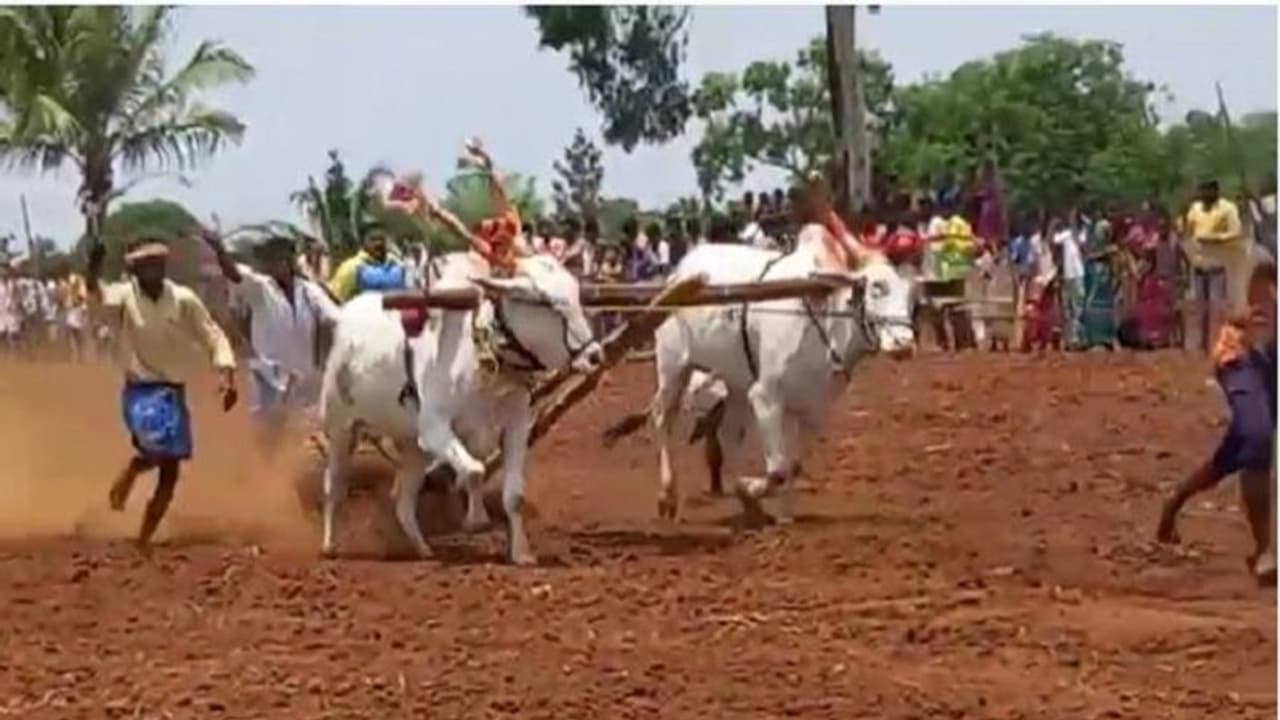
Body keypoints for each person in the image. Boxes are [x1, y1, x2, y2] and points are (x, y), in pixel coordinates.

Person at [85, 237, 238, 550]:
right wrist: (93, 266)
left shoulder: (183, 299)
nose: (153, 271)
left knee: (171, 471)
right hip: (141, 390)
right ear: (135, 270)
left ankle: (144, 537)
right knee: (158, 447)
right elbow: (96, 296)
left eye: (157, 264)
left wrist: (226, 374)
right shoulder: (124, 296)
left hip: (172, 391)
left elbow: (212, 334)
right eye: (146, 266)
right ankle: (132, 471)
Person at [1157, 258, 1276, 584]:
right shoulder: (1263, 252)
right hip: (1245, 356)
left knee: (1241, 447)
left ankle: (1175, 500)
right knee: (1257, 438)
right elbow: (1253, 313)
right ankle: (1266, 551)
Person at [203, 231, 340, 454]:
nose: (279, 265)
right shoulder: (260, 287)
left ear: (291, 261)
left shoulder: (309, 291)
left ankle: (294, 471)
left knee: (305, 432)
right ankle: (263, 469)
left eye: (283, 259)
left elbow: (335, 317)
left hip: (303, 376)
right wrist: (219, 250)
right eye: (273, 260)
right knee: (267, 432)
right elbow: (234, 273)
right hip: (267, 376)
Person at [1184, 179, 1248, 318]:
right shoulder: (1195, 208)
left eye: (1207, 190)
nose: (1204, 194)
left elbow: (1236, 232)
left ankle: (1217, 331)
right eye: (1202, 190)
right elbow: (1188, 232)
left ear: (1215, 190)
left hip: (1217, 265)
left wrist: (1215, 238)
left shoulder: (1228, 208)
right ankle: (1201, 332)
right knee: (1200, 309)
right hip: (1198, 266)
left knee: (1216, 308)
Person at [327, 221, 408, 303]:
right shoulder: (351, 267)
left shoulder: (397, 265)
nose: (378, 243)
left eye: (381, 239)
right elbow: (334, 299)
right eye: (373, 239)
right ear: (362, 242)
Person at [1051, 218, 1085, 348]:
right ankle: (1069, 338)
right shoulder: (1067, 235)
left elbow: (1084, 243)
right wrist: (1053, 226)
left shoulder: (1081, 235)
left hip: (1078, 274)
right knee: (1068, 307)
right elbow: (1054, 240)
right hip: (1069, 275)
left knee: (1078, 306)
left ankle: (1076, 337)